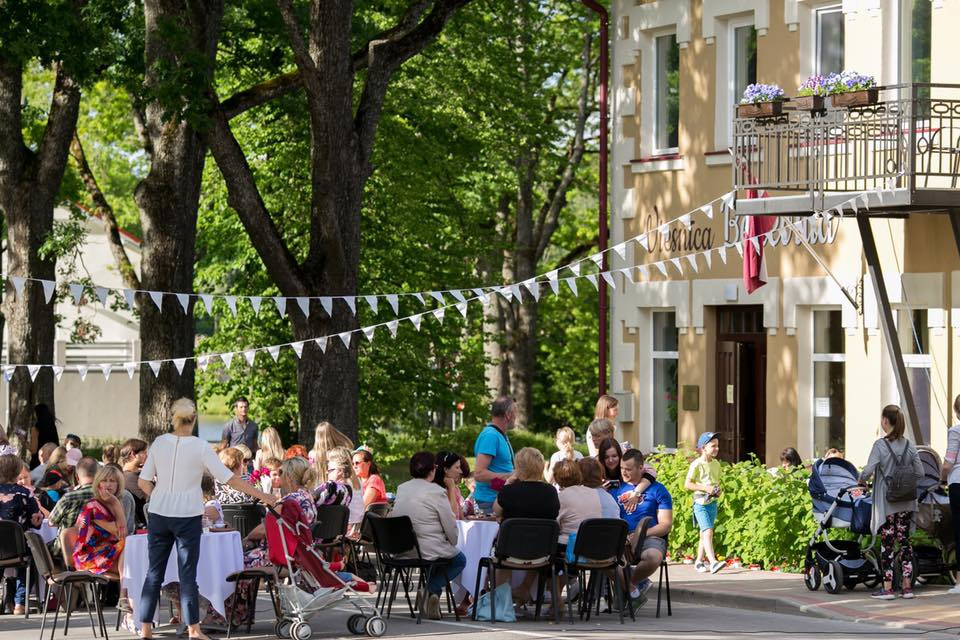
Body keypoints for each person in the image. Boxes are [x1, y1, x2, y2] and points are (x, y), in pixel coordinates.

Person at [137, 397, 276, 640]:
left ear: (172, 419)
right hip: (188, 514)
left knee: (154, 572)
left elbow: (142, 481)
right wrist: (263, 495)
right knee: (187, 573)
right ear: (193, 420)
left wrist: (159, 496)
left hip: (159, 513)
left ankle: (146, 628)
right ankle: (194, 629)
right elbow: (229, 478)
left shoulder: (159, 443)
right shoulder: (200, 446)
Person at [391, 452, 466, 620]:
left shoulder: (402, 488)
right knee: (458, 559)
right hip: (426, 550)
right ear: (432, 470)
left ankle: (432, 599)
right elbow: (450, 524)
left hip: (402, 549)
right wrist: (453, 542)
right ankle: (430, 590)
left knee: (439, 556)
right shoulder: (436, 491)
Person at [860, 405, 923, 600]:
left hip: (887, 504)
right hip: (906, 503)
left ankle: (887, 588)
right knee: (905, 543)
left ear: (886, 421)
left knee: (887, 543)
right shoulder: (909, 445)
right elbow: (920, 473)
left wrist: (861, 479)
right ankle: (907, 588)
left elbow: (869, 470)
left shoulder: (880, 445)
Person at [613, 449, 673, 612]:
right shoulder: (616, 489)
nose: (624, 472)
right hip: (621, 540)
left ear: (641, 468)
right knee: (605, 560)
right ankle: (634, 590)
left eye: (628, 469)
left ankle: (627, 587)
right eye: (622, 468)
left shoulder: (658, 490)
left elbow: (666, 525)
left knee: (653, 557)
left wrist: (640, 534)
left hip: (650, 538)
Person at [0, 454, 41, 615]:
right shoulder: (25, 493)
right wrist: (37, 519)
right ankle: (20, 603)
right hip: (19, 548)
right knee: (32, 562)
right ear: (17, 471)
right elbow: (35, 519)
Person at [72, 465, 126, 577]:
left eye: (112, 481)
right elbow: (120, 533)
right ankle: (123, 592)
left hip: (108, 552)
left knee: (131, 552)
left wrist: (115, 503)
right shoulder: (94, 507)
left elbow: (123, 533)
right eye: (104, 480)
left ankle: (124, 591)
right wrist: (116, 504)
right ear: (98, 484)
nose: (108, 484)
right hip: (89, 557)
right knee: (127, 549)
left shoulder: (112, 503)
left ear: (118, 485)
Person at [685, 432, 725, 574]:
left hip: (712, 503)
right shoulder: (696, 464)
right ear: (703, 447)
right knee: (708, 531)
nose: (716, 448)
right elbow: (688, 484)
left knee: (704, 533)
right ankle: (713, 562)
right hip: (700, 504)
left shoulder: (716, 464)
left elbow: (716, 483)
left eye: (717, 446)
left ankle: (699, 562)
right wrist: (705, 488)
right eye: (713, 446)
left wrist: (717, 491)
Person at [47, 456, 100, 559]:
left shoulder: (69, 497)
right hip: (97, 549)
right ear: (98, 475)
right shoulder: (106, 496)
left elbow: (51, 522)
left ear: (77, 477)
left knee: (40, 550)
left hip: (67, 550)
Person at [473, 396, 517, 514]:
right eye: (515, 412)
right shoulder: (491, 436)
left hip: (498, 500)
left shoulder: (499, 435)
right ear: (508, 414)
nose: (516, 416)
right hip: (490, 502)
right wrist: (510, 476)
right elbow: (479, 474)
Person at [493, 447, 560, 521]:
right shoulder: (551, 491)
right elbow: (555, 514)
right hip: (542, 532)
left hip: (515, 532)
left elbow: (496, 511)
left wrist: (507, 483)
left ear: (518, 469)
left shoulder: (508, 491)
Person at [555, 460, 601, 547]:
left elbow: (555, 525)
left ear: (557, 478)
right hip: (592, 545)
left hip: (569, 546)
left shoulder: (561, 496)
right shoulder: (594, 493)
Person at [942, 395, 960, 593]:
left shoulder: (955, 431)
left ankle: (959, 582)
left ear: (956, 411)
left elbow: (949, 462)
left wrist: (940, 477)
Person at [327, 447, 363, 534]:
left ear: (339, 469)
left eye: (330, 469)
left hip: (345, 529)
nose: (327, 472)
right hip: (358, 526)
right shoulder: (357, 480)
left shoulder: (341, 485)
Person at [120, 438, 149, 527]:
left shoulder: (132, 475)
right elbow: (151, 499)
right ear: (133, 454)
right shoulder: (130, 477)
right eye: (144, 453)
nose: (147, 456)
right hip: (144, 525)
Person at [433, 451, 469, 518]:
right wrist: (451, 489)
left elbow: (461, 518)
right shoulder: (437, 491)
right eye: (457, 467)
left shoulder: (455, 489)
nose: (460, 471)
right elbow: (453, 517)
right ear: (446, 469)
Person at [28, 403, 60, 468]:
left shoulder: (36, 428)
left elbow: (33, 450)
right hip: (53, 460)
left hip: (38, 462)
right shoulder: (52, 426)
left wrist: (24, 442)